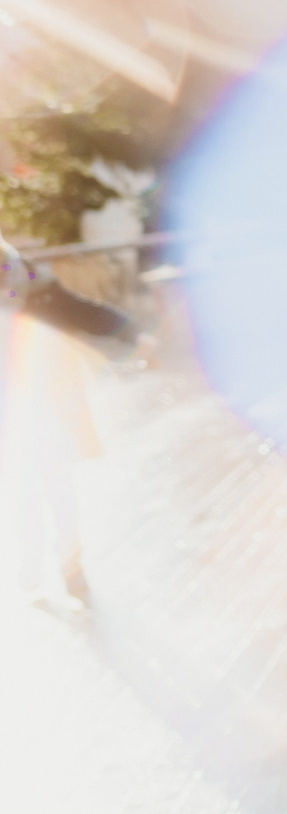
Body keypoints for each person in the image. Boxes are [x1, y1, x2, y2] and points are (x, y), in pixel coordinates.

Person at [2, 232, 143, 607]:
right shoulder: (29, 282)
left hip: (44, 404)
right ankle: (36, 559)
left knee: (52, 487)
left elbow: (77, 310)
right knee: (23, 492)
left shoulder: (32, 284)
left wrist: (128, 330)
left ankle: (68, 567)